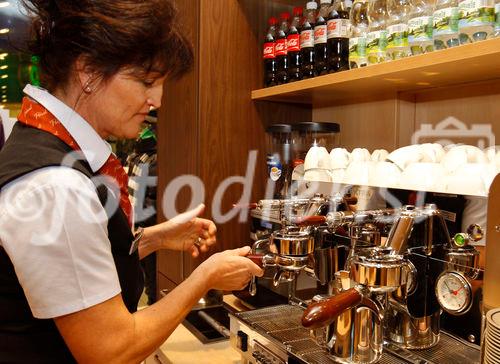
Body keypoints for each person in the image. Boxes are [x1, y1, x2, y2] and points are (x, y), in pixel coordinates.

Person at [0, 1, 263, 363]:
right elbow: (110, 350)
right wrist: (204, 277)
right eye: (146, 82)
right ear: (89, 72)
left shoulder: (50, 150)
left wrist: (155, 238)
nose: (157, 100)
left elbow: (72, 264)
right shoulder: (56, 188)